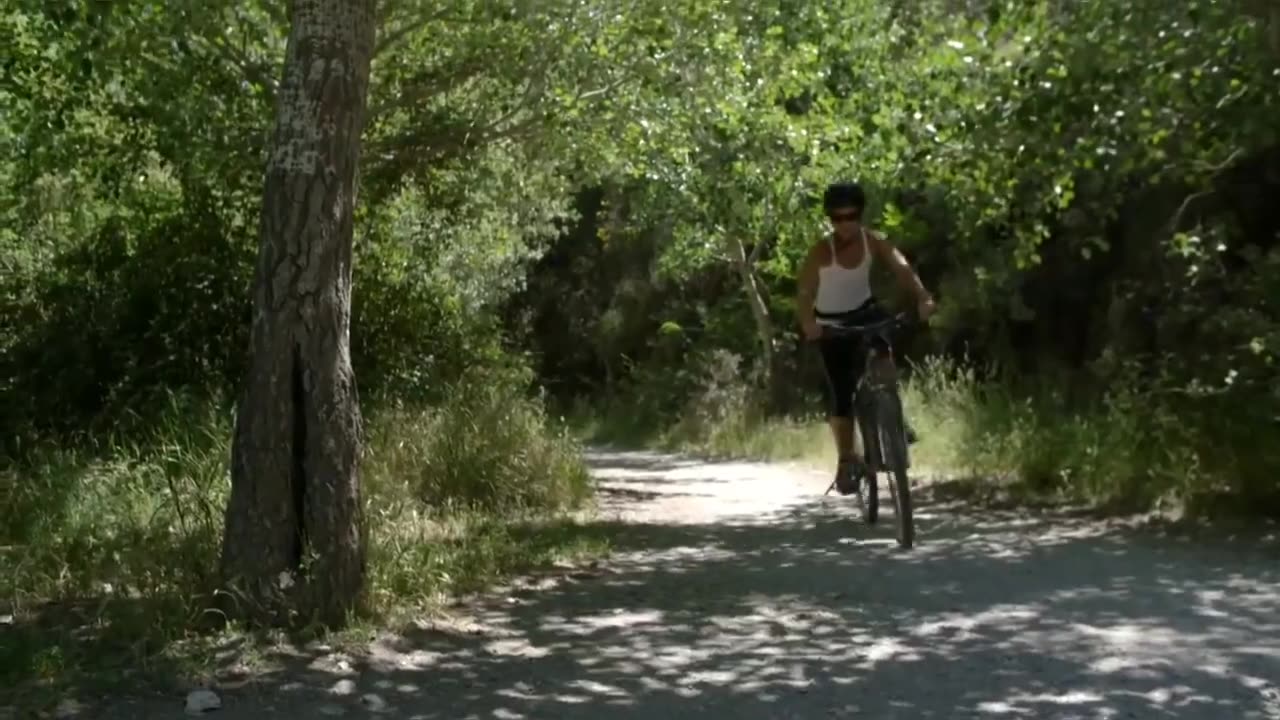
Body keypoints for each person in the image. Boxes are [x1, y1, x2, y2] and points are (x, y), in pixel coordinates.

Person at [795, 181, 937, 494]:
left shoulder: (872, 241)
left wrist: (923, 296)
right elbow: (805, 291)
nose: (845, 224)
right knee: (842, 393)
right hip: (831, 323)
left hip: (864, 311)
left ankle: (892, 417)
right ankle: (847, 459)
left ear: (860, 215)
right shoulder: (821, 251)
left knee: (884, 350)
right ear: (830, 219)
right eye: (837, 218)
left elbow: (901, 267)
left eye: (851, 216)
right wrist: (808, 322)